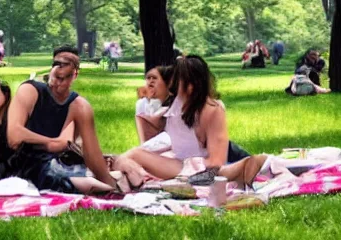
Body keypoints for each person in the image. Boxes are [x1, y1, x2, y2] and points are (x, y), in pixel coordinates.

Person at [112, 56, 267, 189]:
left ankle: (243, 168)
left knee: (222, 172)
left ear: (190, 86)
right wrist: (147, 101)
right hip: (178, 160)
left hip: (199, 166)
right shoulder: (177, 103)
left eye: (176, 82)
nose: (171, 86)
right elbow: (148, 136)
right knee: (128, 157)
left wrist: (191, 170)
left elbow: (216, 161)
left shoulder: (213, 109)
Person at [6, 48, 119, 193]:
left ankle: (107, 187)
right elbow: (13, 136)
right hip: (17, 161)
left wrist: (111, 186)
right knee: (72, 180)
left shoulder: (79, 106)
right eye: (55, 75)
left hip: (52, 162)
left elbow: (92, 153)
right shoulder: (30, 90)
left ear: (75, 75)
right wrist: (50, 142)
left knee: (83, 177)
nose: (57, 83)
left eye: (63, 78)